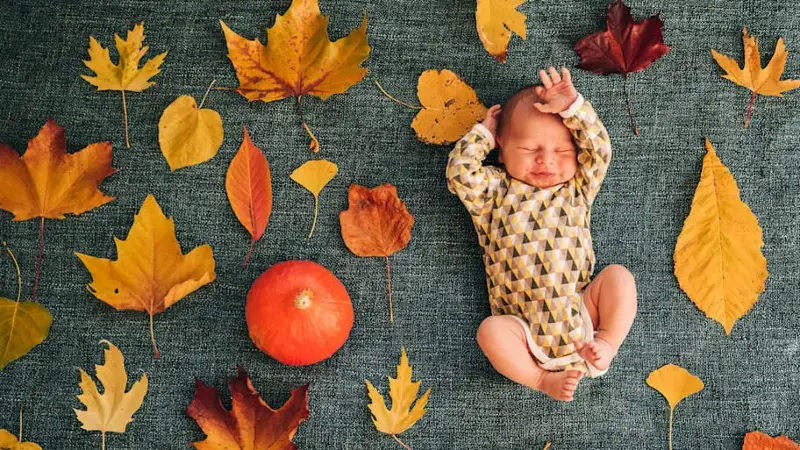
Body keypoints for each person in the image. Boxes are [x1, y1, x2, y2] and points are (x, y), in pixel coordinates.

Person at [446, 66, 637, 401]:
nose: (546, 161)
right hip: (521, 328)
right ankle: (539, 379)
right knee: (490, 332)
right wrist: (483, 135)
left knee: (619, 278)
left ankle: (608, 342)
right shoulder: (492, 192)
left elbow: (599, 150)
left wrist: (572, 106)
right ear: (502, 150)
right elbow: (460, 174)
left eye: (561, 152)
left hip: (583, 312)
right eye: (529, 150)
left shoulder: (576, 188)